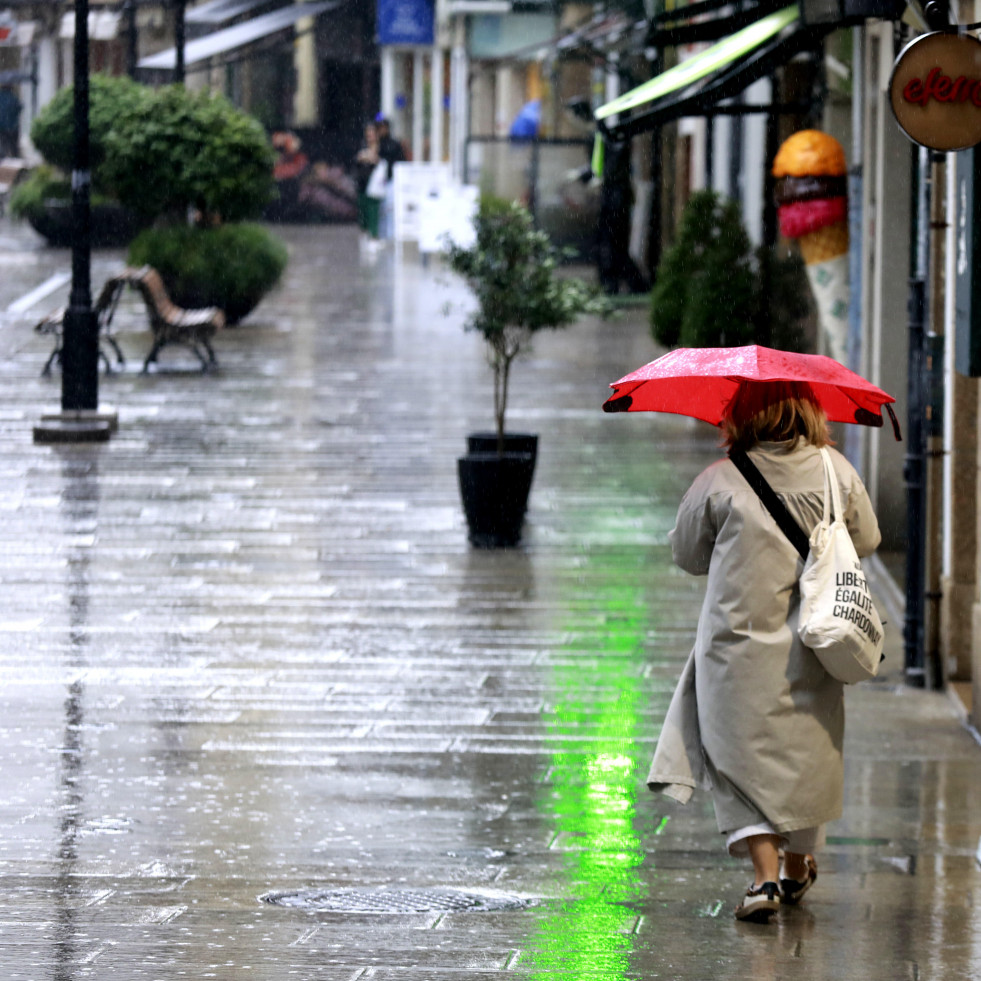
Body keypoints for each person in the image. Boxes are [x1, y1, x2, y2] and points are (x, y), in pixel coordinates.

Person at [647, 380, 881, 923]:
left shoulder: (720, 480)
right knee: (806, 754)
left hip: (736, 647)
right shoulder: (836, 471)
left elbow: (687, 554)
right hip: (814, 642)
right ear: (807, 411)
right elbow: (866, 540)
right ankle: (798, 864)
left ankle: (764, 878)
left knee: (737, 761)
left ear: (742, 417)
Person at [354, 121, 382, 247]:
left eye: (372, 133)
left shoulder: (381, 147)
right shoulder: (362, 145)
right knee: (363, 210)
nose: (370, 136)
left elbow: (377, 159)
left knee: (373, 210)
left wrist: (369, 157)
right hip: (362, 183)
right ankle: (365, 233)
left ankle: (374, 236)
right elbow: (358, 158)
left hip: (376, 185)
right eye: (368, 133)